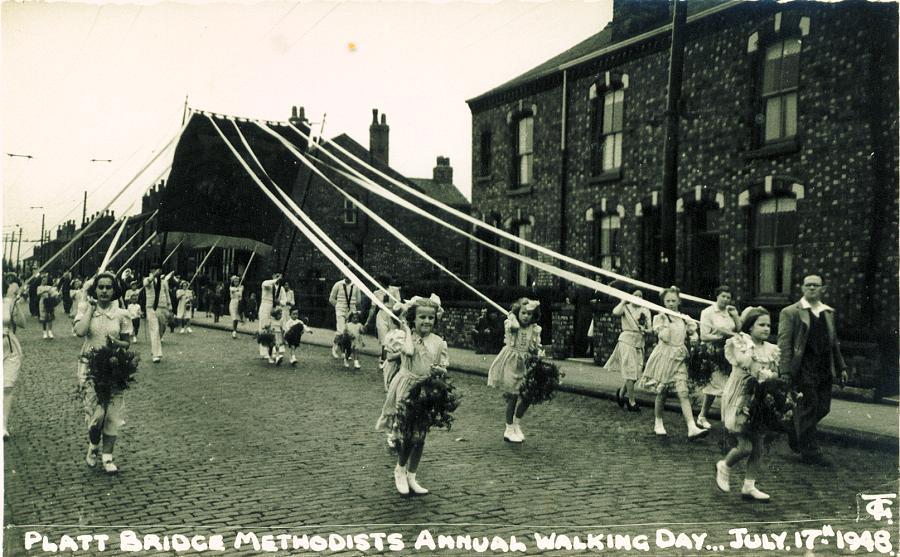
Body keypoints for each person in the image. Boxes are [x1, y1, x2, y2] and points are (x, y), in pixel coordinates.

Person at [376, 296, 449, 495]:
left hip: (427, 389)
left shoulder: (438, 342)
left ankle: (412, 475)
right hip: (407, 387)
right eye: (422, 317)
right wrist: (407, 330)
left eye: (431, 318)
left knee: (422, 435)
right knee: (409, 434)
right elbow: (407, 352)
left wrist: (438, 372)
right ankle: (399, 469)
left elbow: (443, 367)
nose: (426, 321)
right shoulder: (404, 337)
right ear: (413, 319)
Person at [778, 275, 847, 466]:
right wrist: (785, 371)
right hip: (803, 367)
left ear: (822, 289)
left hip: (824, 367)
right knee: (809, 406)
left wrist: (841, 367)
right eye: (808, 285)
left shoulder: (828, 312)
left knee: (823, 407)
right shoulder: (790, 312)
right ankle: (810, 451)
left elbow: (834, 343)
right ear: (802, 288)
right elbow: (784, 344)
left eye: (816, 285)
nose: (811, 288)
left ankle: (794, 426)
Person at [716, 307, 781, 500]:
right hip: (740, 396)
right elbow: (745, 363)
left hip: (758, 399)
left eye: (769, 325)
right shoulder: (740, 342)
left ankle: (749, 485)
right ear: (750, 327)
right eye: (761, 324)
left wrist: (771, 377)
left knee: (759, 443)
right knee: (744, 445)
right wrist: (761, 372)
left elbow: (775, 371)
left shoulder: (770, 349)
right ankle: (724, 466)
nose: (766, 328)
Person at [74, 271, 133, 474]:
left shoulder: (122, 314)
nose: (105, 291)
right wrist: (90, 308)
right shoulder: (85, 308)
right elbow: (80, 331)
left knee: (112, 415)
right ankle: (93, 446)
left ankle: (108, 457)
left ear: (114, 290)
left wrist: (117, 343)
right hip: (90, 368)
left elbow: (127, 342)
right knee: (96, 415)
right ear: (95, 290)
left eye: (109, 287)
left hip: (114, 367)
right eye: (101, 287)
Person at [638, 286, 709, 440]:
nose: (671, 303)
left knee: (683, 392)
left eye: (673, 301)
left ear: (679, 301)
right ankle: (658, 422)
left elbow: (693, 332)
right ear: (663, 302)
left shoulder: (684, 318)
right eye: (668, 301)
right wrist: (665, 324)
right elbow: (664, 337)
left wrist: (694, 337)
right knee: (662, 391)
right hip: (665, 356)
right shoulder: (661, 317)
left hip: (679, 356)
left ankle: (692, 427)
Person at [487, 298, 543, 443]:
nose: (526, 316)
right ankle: (508, 428)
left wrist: (537, 353)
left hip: (526, 363)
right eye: (523, 313)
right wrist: (512, 316)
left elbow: (534, 346)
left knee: (527, 396)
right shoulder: (512, 324)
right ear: (518, 313)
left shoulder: (534, 329)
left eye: (529, 314)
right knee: (513, 396)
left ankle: (516, 424)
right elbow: (513, 328)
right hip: (512, 361)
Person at [696, 286, 742, 429]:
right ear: (717, 296)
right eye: (723, 296)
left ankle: (707, 416)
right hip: (714, 352)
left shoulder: (730, 312)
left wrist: (735, 316)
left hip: (729, 352)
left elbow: (739, 330)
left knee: (727, 385)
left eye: (728, 297)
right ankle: (705, 416)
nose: (726, 300)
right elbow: (704, 335)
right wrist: (720, 336)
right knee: (717, 386)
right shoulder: (708, 312)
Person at [607, 289, 652, 412]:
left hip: (639, 343)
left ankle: (621, 393)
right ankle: (632, 402)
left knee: (636, 373)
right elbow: (615, 312)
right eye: (635, 295)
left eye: (640, 296)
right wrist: (623, 301)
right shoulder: (625, 307)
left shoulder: (645, 310)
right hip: (626, 341)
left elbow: (651, 328)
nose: (638, 297)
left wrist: (645, 330)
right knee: (630, 371)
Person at [3, 273, 26, 439]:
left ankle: (2, 425)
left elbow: (22, 324)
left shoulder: (8, 302)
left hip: (9, 346)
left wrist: (15, 305)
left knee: (7, 386)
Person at [142, 265, 175, 364]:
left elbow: (167, 293)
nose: (157, 271)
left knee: (162, 328)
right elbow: (146, 283)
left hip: (162, 307)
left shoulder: (164, 281)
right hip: (151, 307)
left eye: (158, 270)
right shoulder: (147, 279)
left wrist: (170, 307)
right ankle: (156, 355)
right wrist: (153, 276)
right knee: (154, 330)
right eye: (155, 269)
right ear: (151, 270)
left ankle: (155, 346)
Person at [367, 281, 402, 363]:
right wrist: (367, 322)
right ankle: (383, 359)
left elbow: (398, 304)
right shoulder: (376, 293)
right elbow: (373, 308)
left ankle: (390, 359)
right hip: (381, 314)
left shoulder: (394, 290)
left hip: (392, 314)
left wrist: (398, 317)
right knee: (383, 337)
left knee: (392, 336)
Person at [329, 276, 361, 359]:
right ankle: (334, 348)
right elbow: (331, 299)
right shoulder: (338, 284)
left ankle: (346, 351)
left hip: (351, 311)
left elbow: (358, 300)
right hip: (340, 310)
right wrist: (339, 306)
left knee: (349, 332)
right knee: (341, 331)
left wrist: (351, 308)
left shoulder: (356, 285)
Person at [256, 273, 283, 359]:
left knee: (272, 329)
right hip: (265, 306)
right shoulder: (266, 283)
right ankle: (264, 352)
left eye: (280, 276)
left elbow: (278, 300)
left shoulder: (277, 288)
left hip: (272, 307)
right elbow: (265, 284)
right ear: (273, 276)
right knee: (264, 328)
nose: (278, 278)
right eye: (276, 275)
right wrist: (276, 280)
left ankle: (271, 350)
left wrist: (278, 302)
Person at [37, 275, 59, 339]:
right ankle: (44, 332)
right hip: (42, 303)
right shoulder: (39, 287)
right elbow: (38, 294)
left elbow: (54, 293)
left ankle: (50, 331)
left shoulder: (49, 287)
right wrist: (43, 291)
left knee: (50, 317)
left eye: (46, 280)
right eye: (43, 280)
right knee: (44, 318)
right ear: (41, 281)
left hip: (49, 303)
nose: (45, 281)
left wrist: (55, 291)